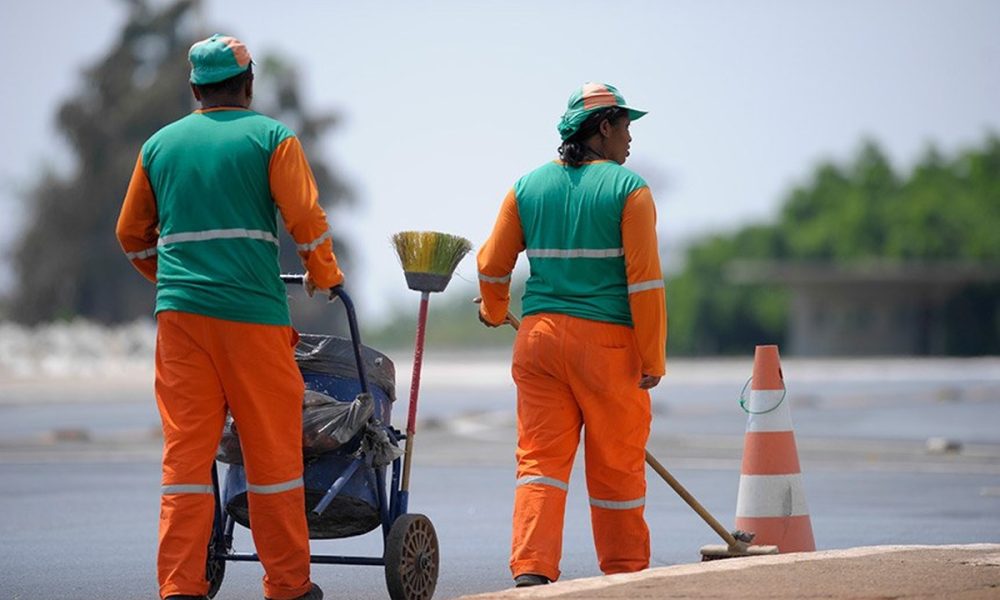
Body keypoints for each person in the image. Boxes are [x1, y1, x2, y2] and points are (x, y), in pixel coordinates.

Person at [115, 34, 341, 600]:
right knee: (272, 456)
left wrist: (171, 281)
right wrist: (326, 274)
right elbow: (305, 218)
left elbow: (132, 236)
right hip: (252, 318)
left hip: (182, 323)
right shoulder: (271, 138)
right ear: (248, 84)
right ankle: (288, 585)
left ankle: (180, 587)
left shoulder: (159, 147)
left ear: (195, 89)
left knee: (186, 460)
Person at [477, 82, 667, 587]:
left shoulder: (527, 187)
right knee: (617, 468)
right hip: (608, 348)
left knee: (539, 465)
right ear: (603, 128)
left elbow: (492, 264)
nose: (631, 140)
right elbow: (645, 283)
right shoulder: (630, 191)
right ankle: (625, 573)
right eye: (626, 127)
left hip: (539, 342)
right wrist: (652, 360)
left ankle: (532, 570)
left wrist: (495, 309)